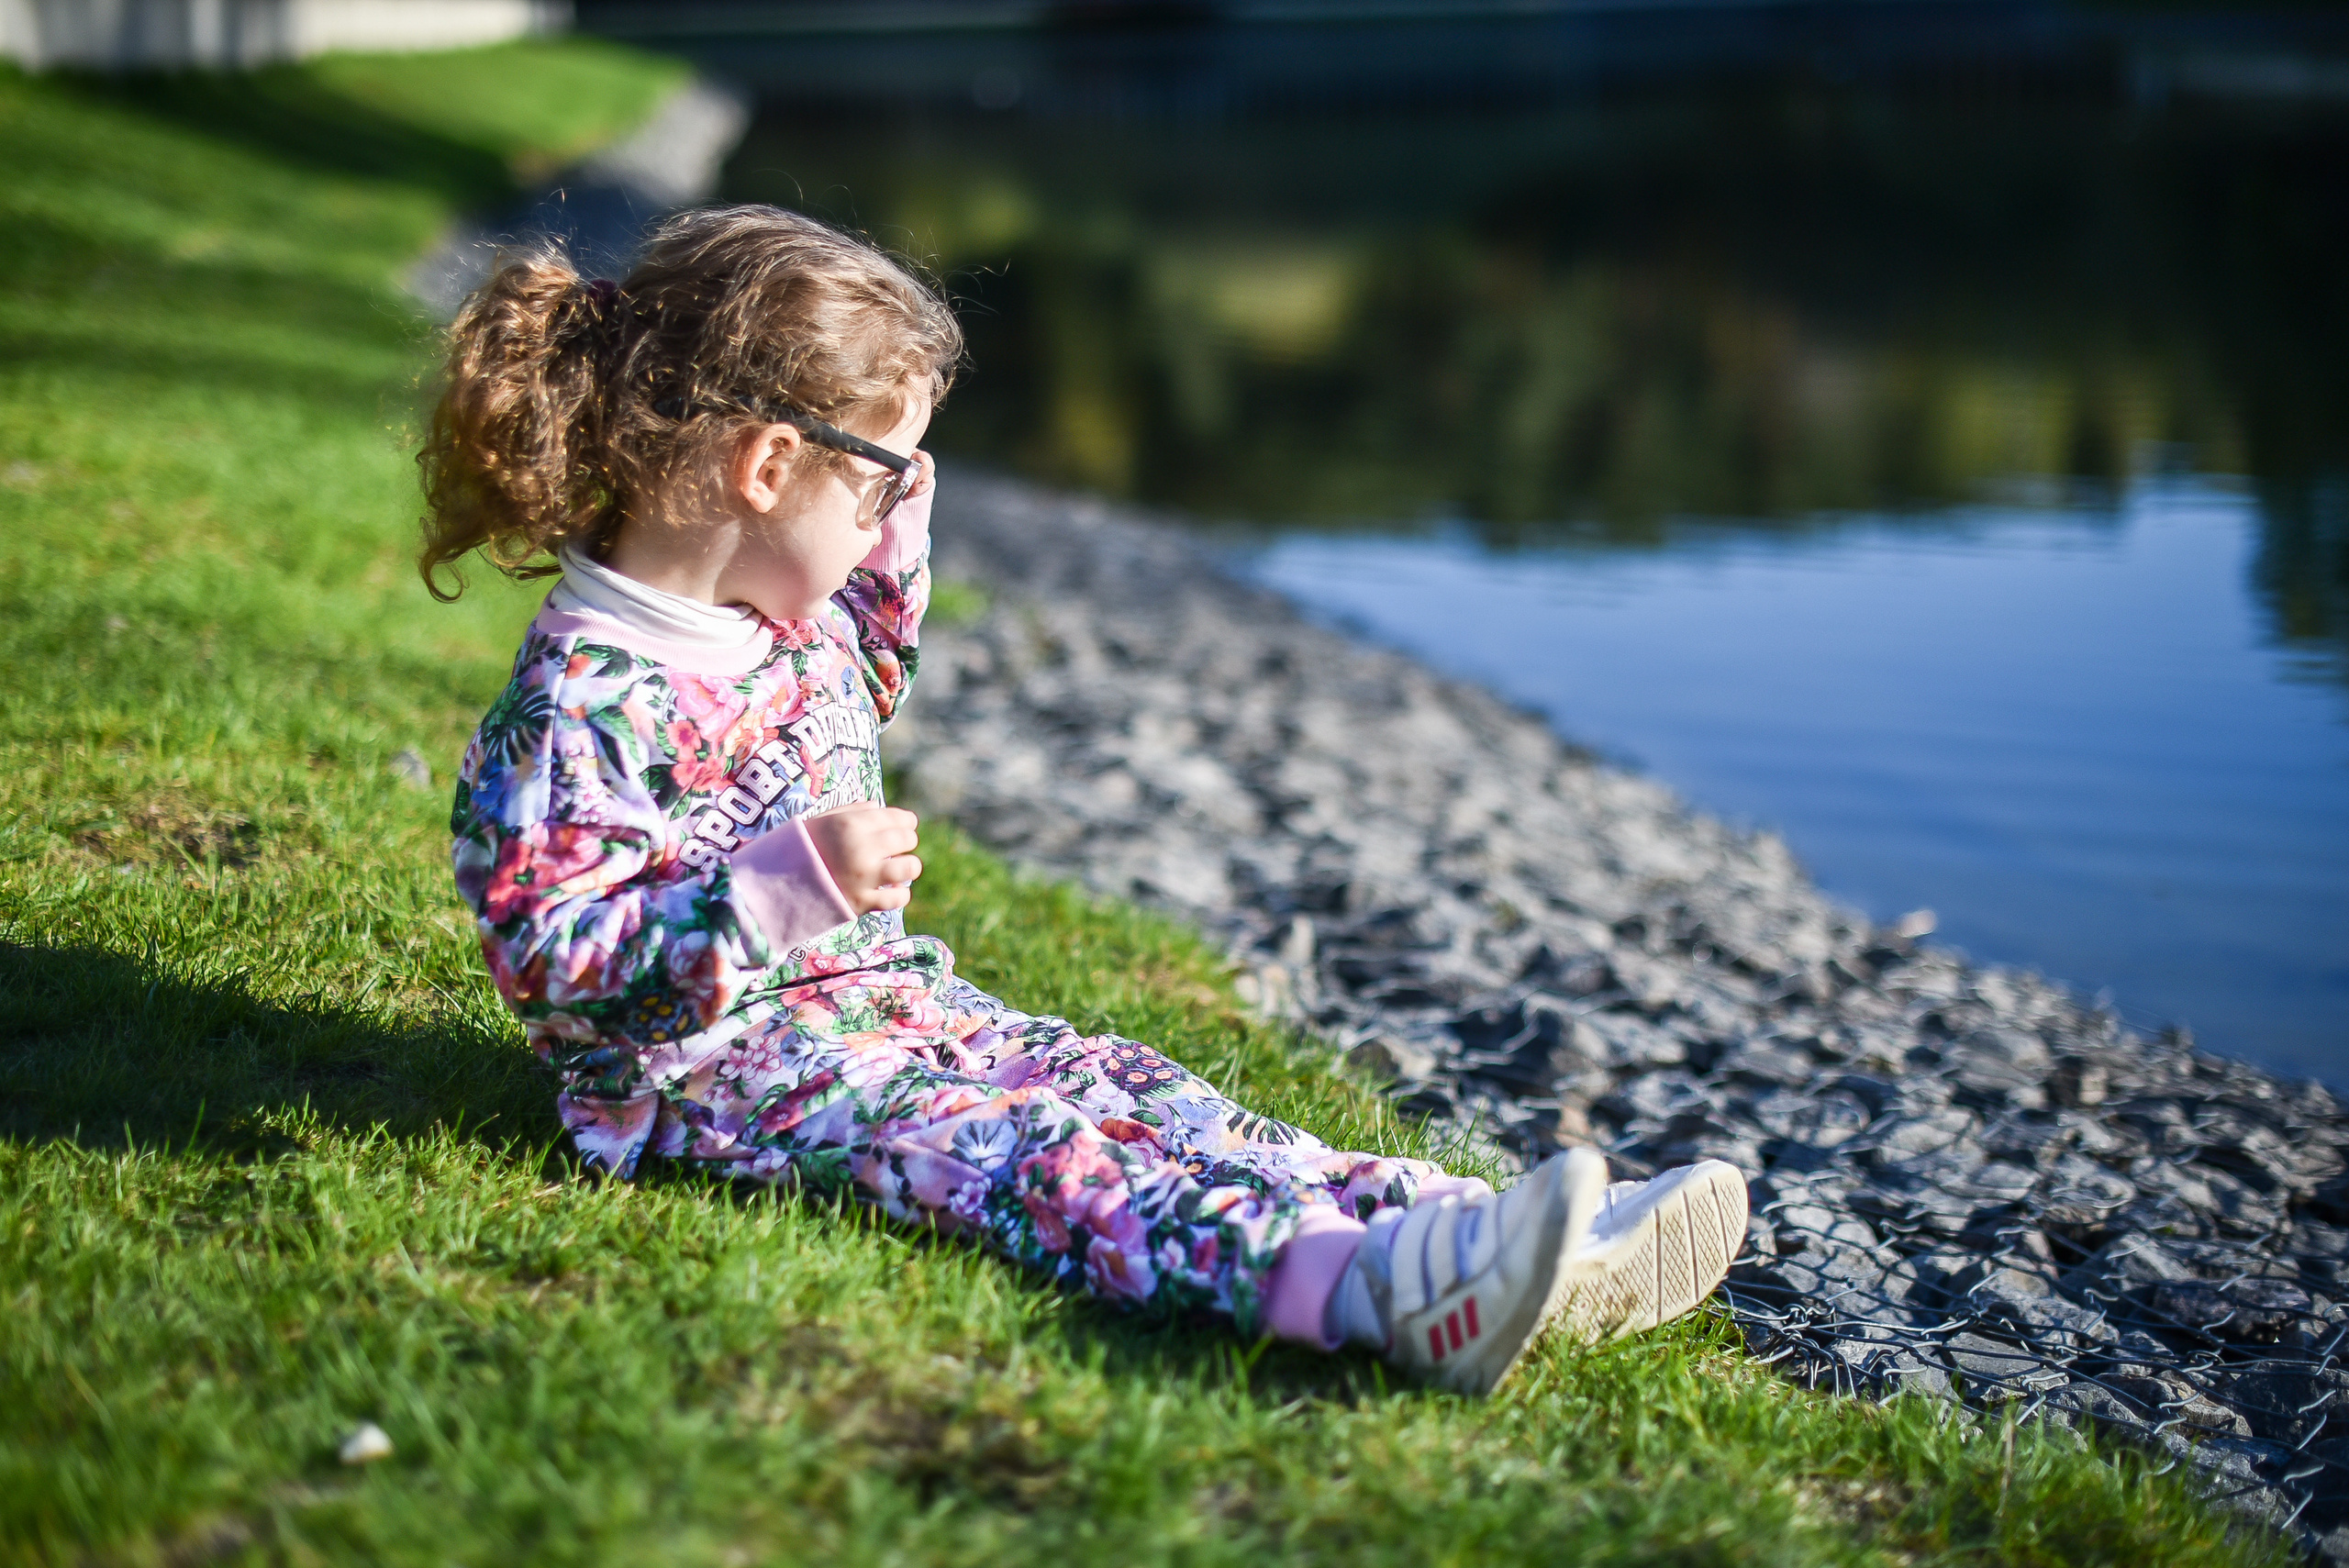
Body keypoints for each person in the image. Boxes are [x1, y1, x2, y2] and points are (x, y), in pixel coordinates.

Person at [420, 206, 1746, 1395]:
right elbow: (558, 966)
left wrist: (895, 524)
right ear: (768, 469)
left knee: (1136, 1089)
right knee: (1045, 1158)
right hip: (725, 1081)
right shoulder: (585, 700)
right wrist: (780, 887)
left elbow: (859, 676)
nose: (899, 502)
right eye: (883, 474)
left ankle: (1483, 1231)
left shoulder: (778, 612)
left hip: (887, 1010)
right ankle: (1368, 1288)